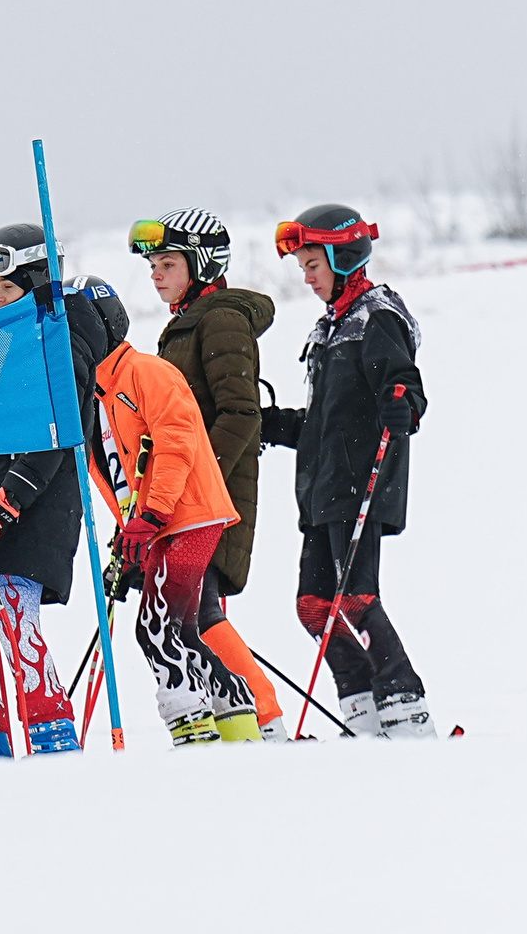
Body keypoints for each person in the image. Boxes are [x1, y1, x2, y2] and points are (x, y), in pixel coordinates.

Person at [270, 204, 433, 740]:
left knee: (357, 598)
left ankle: (403, 701)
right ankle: (362, 710)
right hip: (320, 490)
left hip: (360, 483)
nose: (307, 276)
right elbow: (324, 421)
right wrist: (272, 424)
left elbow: (404, 385)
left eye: (313, 264)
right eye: (302, 267)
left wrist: (403, 403)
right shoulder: (330, 327)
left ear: (343, 256)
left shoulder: (375, 316)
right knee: (314, 606)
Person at [0, 223, 103, 759]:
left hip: (43, 505)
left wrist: (5, 506)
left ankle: (51, 731)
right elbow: (0, 445)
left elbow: (50, 444)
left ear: (36, 285)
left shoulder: (60, 348)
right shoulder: (9, 351)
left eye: (8, 290)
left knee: (13, 613)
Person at [133, 209, 287, 739]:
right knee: (192, 607)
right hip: (189, 490)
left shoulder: (220, 318)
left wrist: (197, 484)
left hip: (214, 491)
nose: (156, 273)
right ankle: (242, 720)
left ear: (200, 264)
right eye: (153, 263)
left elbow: (241, 411)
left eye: (167, 262)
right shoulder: (187, 323)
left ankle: (261, 717)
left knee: (195, 607)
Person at [89, 328, 259, 744]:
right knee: (179, 630)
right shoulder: (97, 397)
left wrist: (152, 514)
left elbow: (176, 442)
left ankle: (193, 727)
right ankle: (238, 717)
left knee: (156, 627)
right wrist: (130, 537)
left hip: (185, 515)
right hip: (160, 524)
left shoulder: (145, 371)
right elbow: (123, 477)